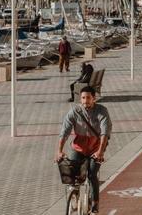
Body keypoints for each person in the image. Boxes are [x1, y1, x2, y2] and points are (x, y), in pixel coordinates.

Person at [56, 86, 110, 215]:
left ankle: (95, 204)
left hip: (96, 149)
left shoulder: (102, 111)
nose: (85, 101)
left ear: (94, 99)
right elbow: (64, 132)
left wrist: (100, 152)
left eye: (88, 98)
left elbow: (105, 133)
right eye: (83, 98)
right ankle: (74, 197)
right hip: (78, 148)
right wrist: (59, 151)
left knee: (92, 175)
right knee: (72, 174)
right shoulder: (74, 112)